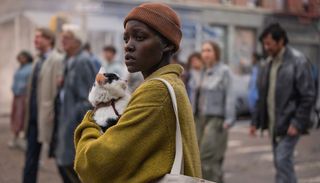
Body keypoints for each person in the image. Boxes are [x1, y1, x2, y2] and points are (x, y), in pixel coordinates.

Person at [74, 2, 202, 183]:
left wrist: (93, 119)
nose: (128, 46)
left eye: (140, 37)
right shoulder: (171, 84)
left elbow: (93, 165)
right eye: (126, 39)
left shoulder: (156, 91)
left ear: (167, 45)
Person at [250, 23, 315, 183]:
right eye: (264, 44)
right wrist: (255, 122)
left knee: (282, 160)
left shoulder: (298, 61)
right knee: (280, 164)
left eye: (269, 44)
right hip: (275, 124)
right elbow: (262, 96)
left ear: (281, 42)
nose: (266, 48)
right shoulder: (267, 63)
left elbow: (308, 95)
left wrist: (298, 123)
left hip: (290, 123)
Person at [55, 24, 95, 183]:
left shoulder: (82, 61)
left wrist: (73, 119)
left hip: (74, 124)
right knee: (63, 164)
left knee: (72, 167)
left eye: (67, 38)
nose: (62, 40)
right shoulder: (68, 60)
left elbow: (88, 99)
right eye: (62, 37)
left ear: (78, 41)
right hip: (64, 121)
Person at [23, 28, 64, 183]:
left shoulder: (57, 59)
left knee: (61, 160)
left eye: (39, 37)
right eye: (35, 37)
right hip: (34, 116)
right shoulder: (37, 60)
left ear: (49, 40)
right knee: (30, 158)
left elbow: (59, 91)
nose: (35, 40)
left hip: (48, 116)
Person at [197, 41, 236, 183]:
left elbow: (230, 95)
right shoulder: (202, 71)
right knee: (210, 160)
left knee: (206, 156)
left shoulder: (224, 71)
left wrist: (228, 120)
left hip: (216, 119)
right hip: (200, 119)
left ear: (216, 53)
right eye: (203, 50)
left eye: (209, 50)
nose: (205, 54)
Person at [8, 51, 33, 149]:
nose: (20, 59)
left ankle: (24, 139)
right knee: (15, 116)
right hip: (17, 95)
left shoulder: (30, 68)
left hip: (24, 96)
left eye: (22, 57)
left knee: (23, 117)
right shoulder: (19, 68)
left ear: (27, 57)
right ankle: (15, 138)